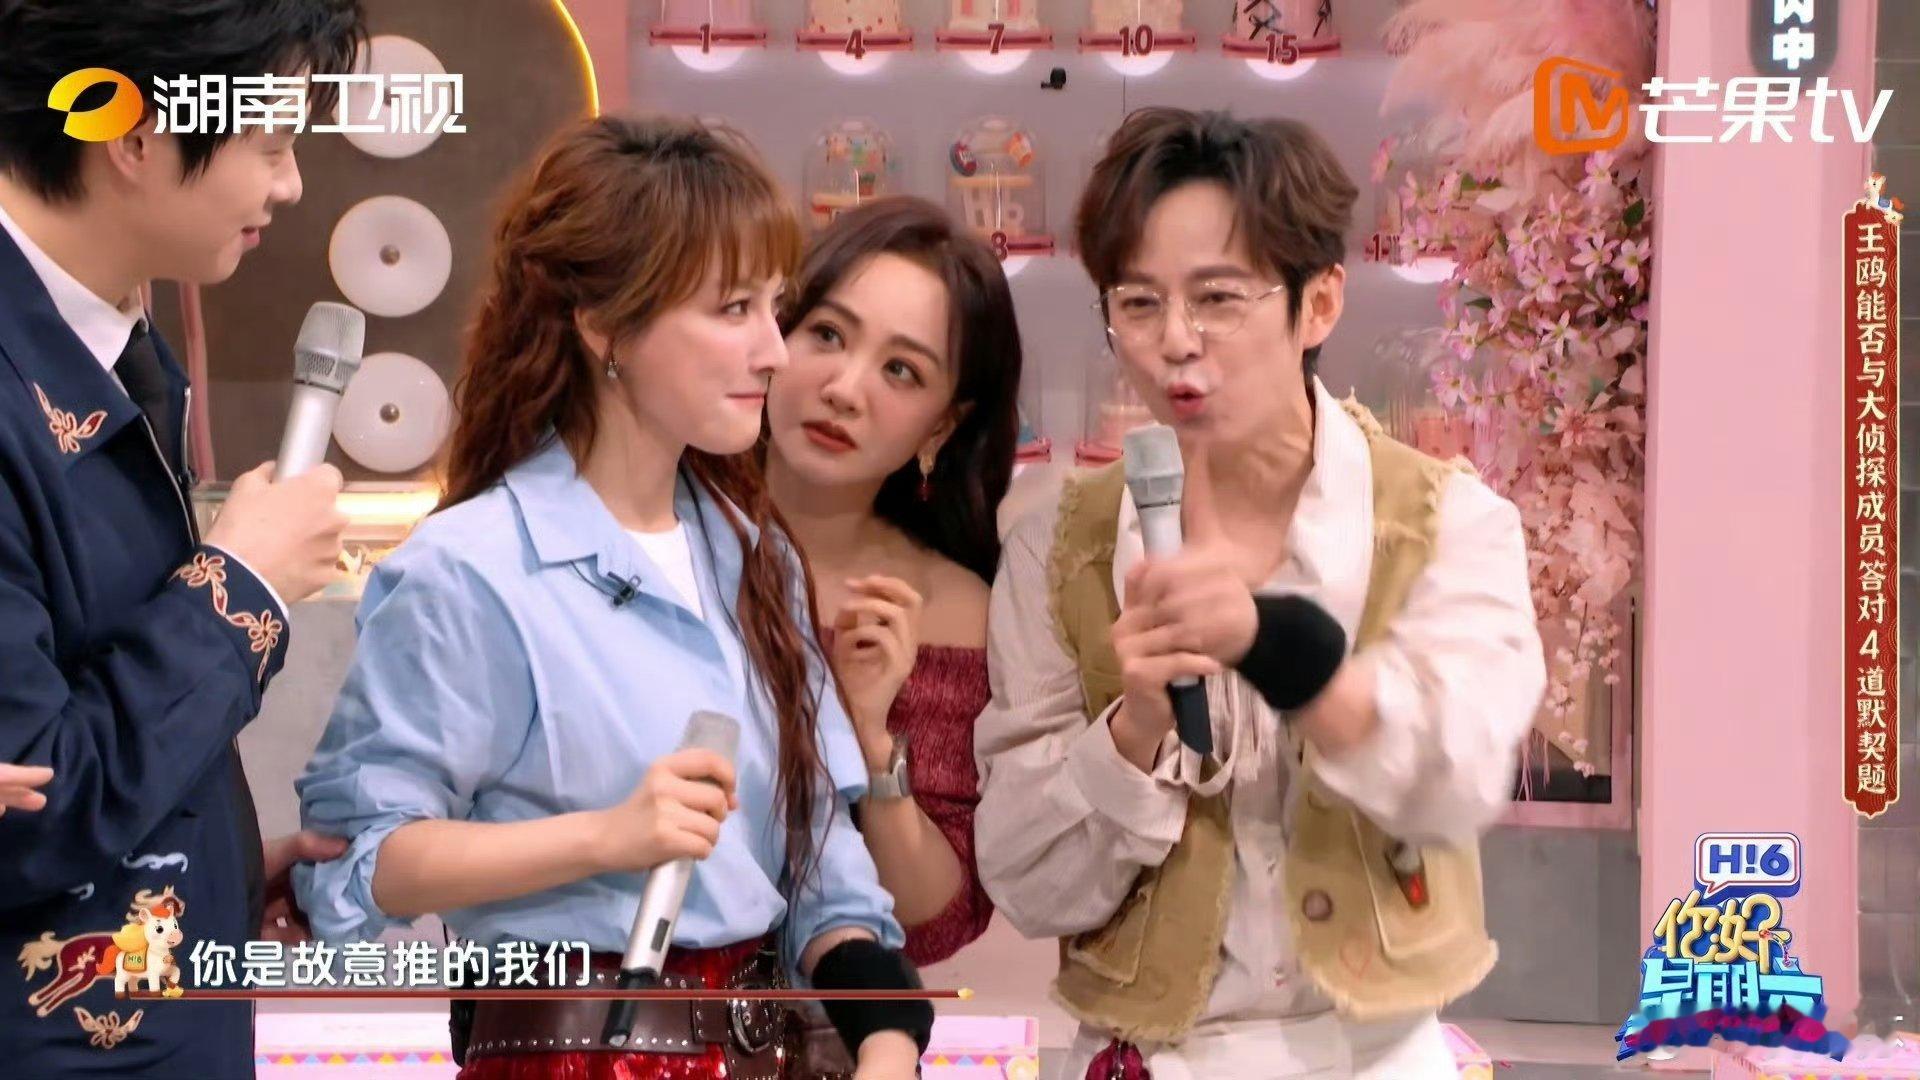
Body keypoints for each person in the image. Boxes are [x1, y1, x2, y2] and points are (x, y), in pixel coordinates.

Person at [295, 116, 931, 1080]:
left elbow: (823, 873)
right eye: (733, 309)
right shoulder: (471, 569)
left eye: (776, 307)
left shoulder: (756, 556)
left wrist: (888, 1045)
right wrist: (604, 838)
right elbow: (357, 863)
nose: (774, 351)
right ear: (603, 326)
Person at [973, 107, 1546, 1079]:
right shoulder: (1056, 547)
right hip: (1150, 1056)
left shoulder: (1448, 521)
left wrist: (1288, 656)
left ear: (1318, 304)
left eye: (1219, 299)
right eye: (1138, 303)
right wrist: (1135, 728)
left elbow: (1457, 783)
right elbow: (1026, 882)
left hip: (1375, 1054)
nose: (1175, 341)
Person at [0, 3, 364, 1075]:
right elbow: (34, 799)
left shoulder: (117, 352)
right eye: (272, 143)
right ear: (134, 134)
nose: (289, 185)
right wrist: (241, 585)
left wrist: (212, 861)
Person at [763, 196, 1020, 968]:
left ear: (943, 424)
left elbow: (934, 924)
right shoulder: (658, 539)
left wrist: (873, 744)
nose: (845, 388)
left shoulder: (953, 612)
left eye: (901, 370)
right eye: (827, 334)